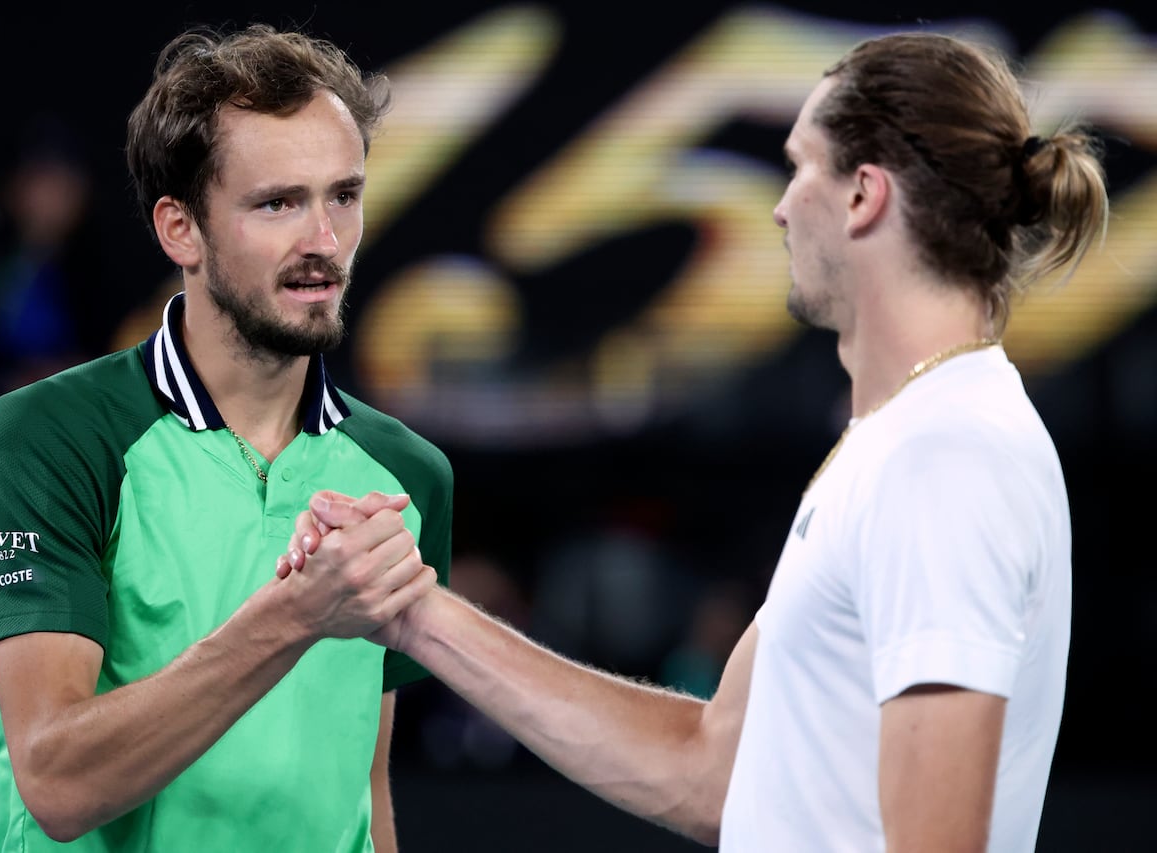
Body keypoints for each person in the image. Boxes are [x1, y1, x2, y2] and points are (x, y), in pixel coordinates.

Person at [283, 30, 1109, 851]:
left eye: (801, 166)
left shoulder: (942, 459)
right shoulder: (909, 441)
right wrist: (412, 610)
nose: (781, 206)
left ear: (864, 195)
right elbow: (711, 770)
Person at [0, 23, 452, 852]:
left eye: (343, 196)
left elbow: (364, 787)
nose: (324, 242)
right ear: (179, 228)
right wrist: (294, 616)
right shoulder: (48, 436)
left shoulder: (408, 471)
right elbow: (57, 783)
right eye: (278, 203)